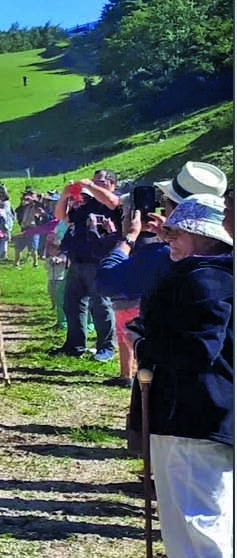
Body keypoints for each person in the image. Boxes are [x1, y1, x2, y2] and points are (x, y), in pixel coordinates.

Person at [128, 194, 233, 558]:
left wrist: (146, 343)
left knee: (197, 521)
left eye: (176, 232)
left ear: (203, 236)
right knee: (191, 522)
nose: (168, 238)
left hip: (191, 416)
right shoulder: (210, 275)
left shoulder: (205, 280)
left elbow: (199, 349)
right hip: (196, 415)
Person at [100, 162, 229, 387]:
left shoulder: (180, 267)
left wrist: (129, 237)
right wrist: (171, 236)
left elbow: (107, 280)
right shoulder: (224, 265)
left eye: (165, 202)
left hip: (183, 396)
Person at [57, 169, 122, 361]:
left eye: (101, 182)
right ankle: (74, 345)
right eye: (94, 181)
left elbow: (112, 202)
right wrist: (65, 195)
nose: (95, 185)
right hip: (78, 259)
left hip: (101, 261)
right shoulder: (88, 204)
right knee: (73, 304)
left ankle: (106, 348)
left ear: (112, 184)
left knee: (101, 306)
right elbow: (63, 216)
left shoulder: (116, 205)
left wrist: (89, 185)